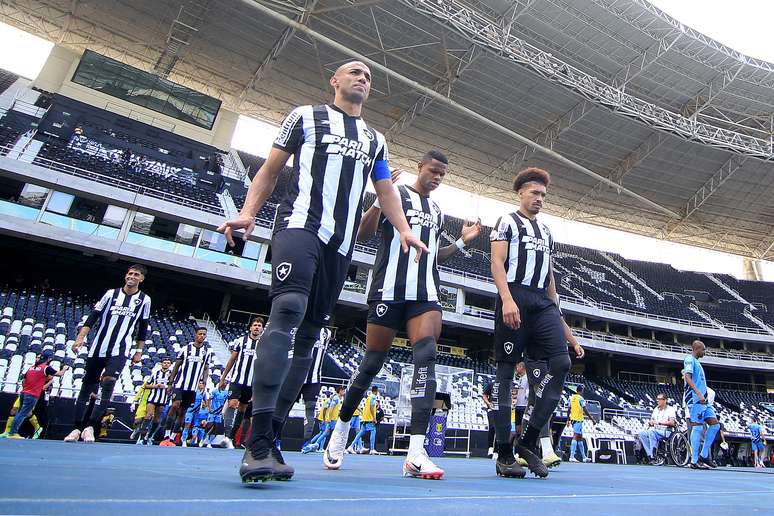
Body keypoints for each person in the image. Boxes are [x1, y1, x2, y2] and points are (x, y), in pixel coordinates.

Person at [218, 60, 428, 483]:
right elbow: (271, 169)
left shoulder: (375, 139)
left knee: (311, 336)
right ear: (334, 80)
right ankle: (256, 442)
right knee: (289, 311)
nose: (362, 79)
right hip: (300, 227)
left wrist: (404, 230)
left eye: (369, 77)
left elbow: (385, 189)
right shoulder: (303, 116)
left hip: (341, 245)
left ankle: (271, 439)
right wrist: (246, 213)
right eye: (354, 72)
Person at [323, 151, 481, 478]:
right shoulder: (395, 194)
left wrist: (463, 244)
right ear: (420, 167)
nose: (437, 177)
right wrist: (380, 199)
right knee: (371, 363)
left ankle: (415, 452)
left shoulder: (437, 211)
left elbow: (433, 256)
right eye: (433, 171)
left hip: (425, 296)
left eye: (442, 174)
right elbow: (364, 233)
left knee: (426, 358)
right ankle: (340, 430)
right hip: (389, 291)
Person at [489, 168, 583, 478]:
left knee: (561, 363)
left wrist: (559, 318)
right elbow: (497, 263)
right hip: (514, 296)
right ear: (521, 194)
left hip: (542, 302)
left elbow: (550, 275)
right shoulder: (506, 222)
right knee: (505, 376)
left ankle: (527, 443)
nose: (539, 199)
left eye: (543, 195)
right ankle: (504, 453)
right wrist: (506, 299)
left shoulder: (546, 232)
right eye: (534, 193)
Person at [64, 264, 151, 443]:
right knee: (87, 387)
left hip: (120, 349)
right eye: (130, 273)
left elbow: (143, 327)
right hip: (98, 347)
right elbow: (93, 316)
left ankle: (91, 426)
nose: (132, 277)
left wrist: (139, 351)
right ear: (125, 276)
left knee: (109, 380)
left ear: (141, 279)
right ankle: (76, 427)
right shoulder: (110, 294)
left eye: (136, 275)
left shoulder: (144, 300)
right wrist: (80, 338)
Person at [161, 328, 211, 446]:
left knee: (183, 412)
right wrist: (170, 383)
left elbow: (206, 368)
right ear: (195, 335)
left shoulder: (206, 352)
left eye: (204, 334)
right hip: (180, 384)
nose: (202, 336)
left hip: (192, 387)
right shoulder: (185, 349)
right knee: (175, 405)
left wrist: (204, 380)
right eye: (200, 334)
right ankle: (166, 433)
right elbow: (176, 366)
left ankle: (173, 436)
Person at [220, 317, 263, 447]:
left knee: (243, 409)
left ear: (262, 329)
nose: (256, 327)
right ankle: (226, 435)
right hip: (237, 380)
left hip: (252, 384)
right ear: (250, 327)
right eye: (254, 325)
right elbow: (232, 360)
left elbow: (265, 365)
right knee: (232, 404)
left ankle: (231, 438)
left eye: (259, 325)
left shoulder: (264, 344)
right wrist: (223, 378)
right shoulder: (241, 341)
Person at [2, 355, 65, 439]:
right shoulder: (45, 368)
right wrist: (64, 368)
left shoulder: (31, 367)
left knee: (19, 412)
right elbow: (60, 374)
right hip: (32, 394)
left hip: (24, 392)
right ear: (47, 360)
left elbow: (24, 381)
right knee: (22, 414)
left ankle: (10, 432)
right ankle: (13, 433)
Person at [683, 339, 720, 469]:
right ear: (697, 349)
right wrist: (698, 393)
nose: (704, 352)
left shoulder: (697, 363)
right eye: (703, 349)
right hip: (695, 399)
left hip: (704, 401)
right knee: (697, 427)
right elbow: (687, 377)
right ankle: (694, 461)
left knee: (715, 425)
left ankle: (704, 456)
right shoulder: (689, 359)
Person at [138, 357, 173, 445]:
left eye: (168, 363)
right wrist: (156, 386)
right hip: (153, 398)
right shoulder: (155, 373)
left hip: (163, 399)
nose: (166, 364)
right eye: (164, 362)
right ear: (161, 364)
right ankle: (141, 438)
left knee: (157, 419)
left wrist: (167, 388)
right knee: (148, 415)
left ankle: (149, 437)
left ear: (170, 365)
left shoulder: (172, 375)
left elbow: (174, 386)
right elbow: (146, 385)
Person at [638, 393, 677, 464]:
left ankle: (653, 456)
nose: (657, 401)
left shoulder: (670, 409)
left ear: (665, 400)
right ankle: (650, 454)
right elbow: (651, 420)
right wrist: (651, 422)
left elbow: (672, 423)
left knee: (651, 432)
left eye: (659, 399)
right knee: (641, 434)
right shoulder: (656, 409)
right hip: (655, 430)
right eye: (657, 399)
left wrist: (659, 423)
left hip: (666, 430)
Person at [347, 386, 380, 455]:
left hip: (364, 418)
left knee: (360, 433)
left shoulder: (369, 397)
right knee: (373, 431)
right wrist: (374, 418)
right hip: (369, 418)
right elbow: (371, 407)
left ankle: (351, 446)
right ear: (376, 391)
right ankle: (372, 449)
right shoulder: (373, 397)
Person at [567, 385, 594, 463]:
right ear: (581, 390)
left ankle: (584, 457)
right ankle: (572, 456)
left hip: (573, 419)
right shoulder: (581, 398)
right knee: (575, 436)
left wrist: (568, 420)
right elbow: (585, 409)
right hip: (578, 419)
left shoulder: (571, 398)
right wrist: (592, 419)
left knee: (580, 437)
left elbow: (568, 409)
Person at [178, 380, 209, 447]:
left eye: (202, 384)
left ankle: (192, 439)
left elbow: (206, 402)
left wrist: (205, 406)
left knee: (194, 426)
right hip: (190, 411)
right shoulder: (194, 392)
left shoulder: (203, 393)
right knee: (187, 425)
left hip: (196, 412)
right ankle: (183, 440)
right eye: (199, 383)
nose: (201, 385)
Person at [202, 383, 229, 448]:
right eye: (224, 382)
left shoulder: (226, 393)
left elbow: (227, 402)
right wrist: (209, 408)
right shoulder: (215, 391)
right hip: (213, 412)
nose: (224, 384)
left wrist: (224, 411)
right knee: (209, 425)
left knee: (216, 427)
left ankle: (209, 442)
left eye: (226, 383)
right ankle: (203, 438)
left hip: (219, 413)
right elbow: (209, 400)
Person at [482, 378, 498, 458]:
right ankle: (490, 447)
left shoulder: (506, 384)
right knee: (492, 427)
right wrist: (488, 403)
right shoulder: (492, 384)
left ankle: (496, 451)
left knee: (500, 430)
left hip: (502, 410)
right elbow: (484, 395)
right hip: (491, 409)